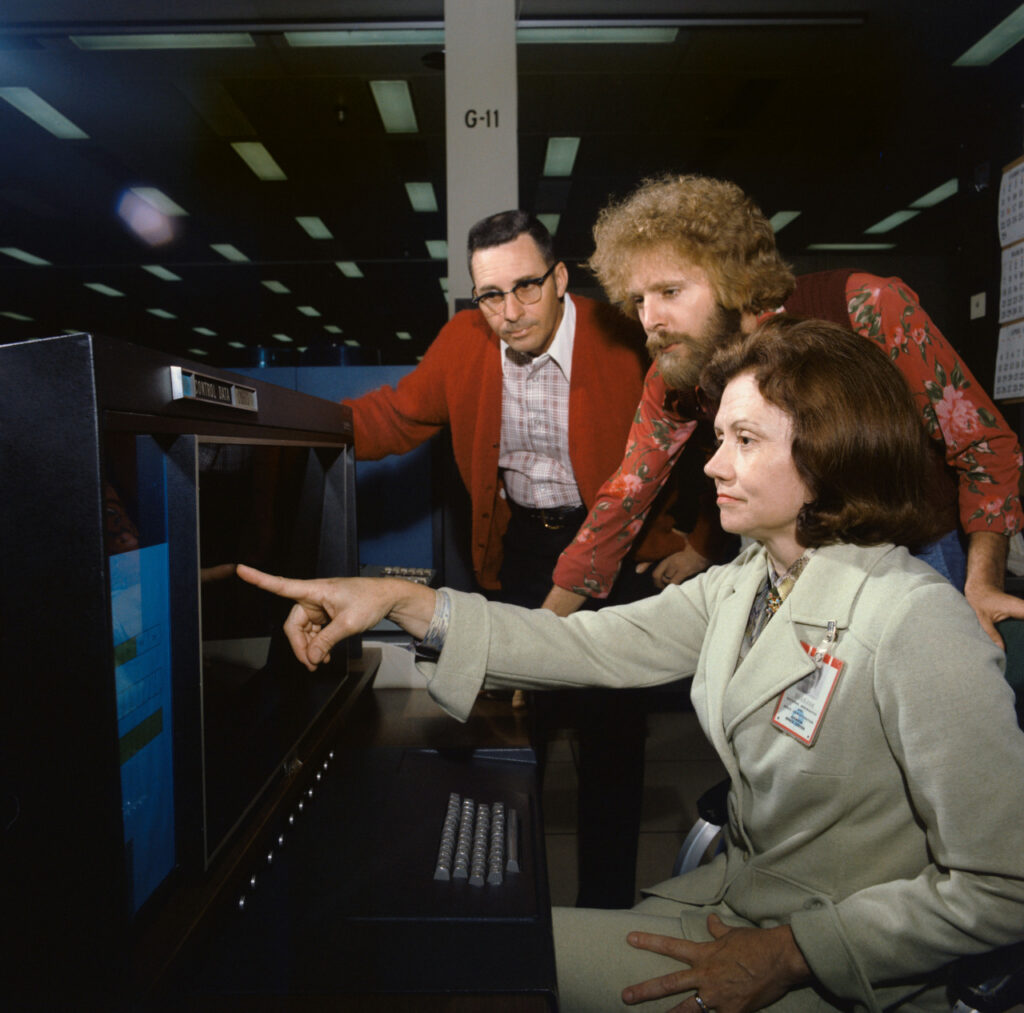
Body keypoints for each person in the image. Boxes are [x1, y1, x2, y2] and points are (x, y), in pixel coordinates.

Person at [239, 317, 1024, 1013]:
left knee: (463, 960)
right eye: (720, 438)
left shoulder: (917, 619)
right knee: (455, 939)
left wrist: (792, 953)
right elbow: (585, 644)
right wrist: (400, 602)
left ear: (832, 453)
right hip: (735, 905)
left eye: (745, 441)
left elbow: (1004, 886)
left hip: (836, 965)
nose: (713, 465)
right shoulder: (747, 581)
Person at [541, 173, 1024, 648]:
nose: (650, 320)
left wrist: (981, 584)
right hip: (792, 559)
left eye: (669, 292)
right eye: (638, 299)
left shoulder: (864, 306)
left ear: (734, 278)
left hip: (915, 549)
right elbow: (625, 497)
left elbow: (983, 446)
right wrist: (544, 632)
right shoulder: (675, 375)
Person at [342, 208, 662, 907]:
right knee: (512, 729)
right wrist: (300, 422)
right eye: (491, 295)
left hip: (617, 543)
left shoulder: (617, 335)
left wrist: (698, 540)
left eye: (527, 287)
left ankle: (603, 911)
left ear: (560, 277)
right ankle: (503, 908)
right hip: (524, 550)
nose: (511, 312)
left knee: (612, 741)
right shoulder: (465, 341)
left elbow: (687, 429)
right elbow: (397, 415)